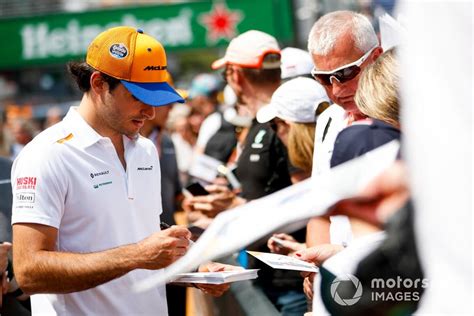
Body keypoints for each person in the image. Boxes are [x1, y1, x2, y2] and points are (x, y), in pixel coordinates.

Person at [11, 26, 232, 316]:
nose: (150, 111)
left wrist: (196, 267)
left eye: (156, 99)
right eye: (138, 96)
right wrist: (138, 255)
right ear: (99, 83)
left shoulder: (145, 150)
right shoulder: (46, 154)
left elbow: (143, 237)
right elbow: (29, 272)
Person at [305, 10, 384, 251]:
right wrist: (314, 267)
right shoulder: (329, 120)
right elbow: (320, 209)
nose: (336, 90)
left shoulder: (405, 117)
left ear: (376, 57)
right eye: (324, 78)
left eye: (345, 73)